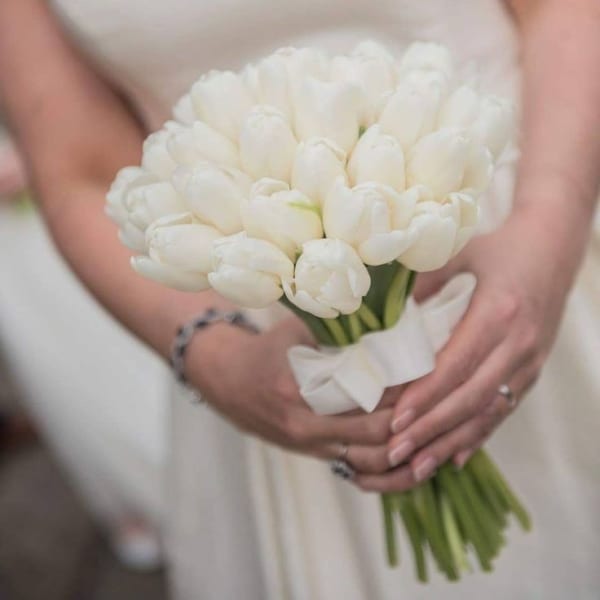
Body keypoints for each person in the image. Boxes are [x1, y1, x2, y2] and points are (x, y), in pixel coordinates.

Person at [0, 0, 599, 598]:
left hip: (512, 220)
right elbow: (79, 166)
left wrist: (547, 232)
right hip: (260, 319)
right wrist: (216, 360)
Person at [0, 133, 167, 570]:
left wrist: (38, 153)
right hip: (9, 256)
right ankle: (124, 494)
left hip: (51, 197)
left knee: (106, 339)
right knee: (53, 365)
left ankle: (167, 467)